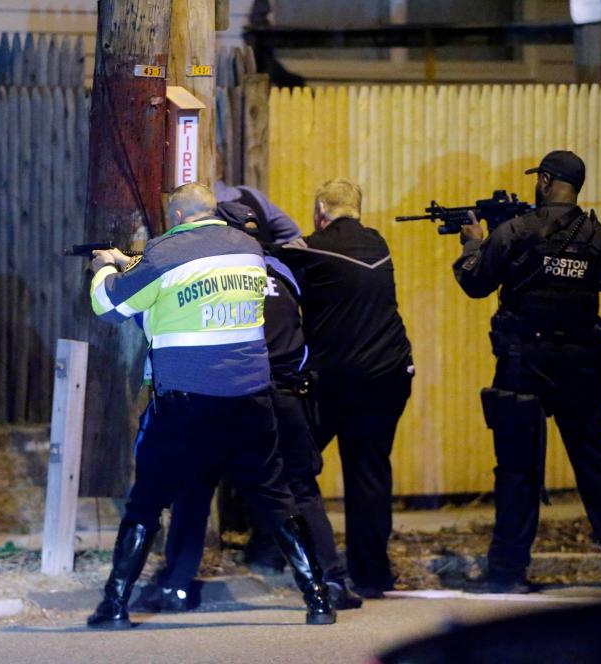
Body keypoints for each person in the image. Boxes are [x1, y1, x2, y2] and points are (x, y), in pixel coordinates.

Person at [86, 182, 335, 629]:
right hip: (249, 400)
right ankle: (318, 599)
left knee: (146, 502)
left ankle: (114, 605)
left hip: (184, 403)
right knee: (277, 499)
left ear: (178, 217)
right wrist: (136, 264)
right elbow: (197, 281)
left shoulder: (165, 252)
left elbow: (109, 306)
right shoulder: (248, 249)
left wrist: (107, 268)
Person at [155, 183, 362, 612]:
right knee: (298, 492)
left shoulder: (216, 274)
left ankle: (175, 585)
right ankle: (330, 584)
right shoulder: (284, 271)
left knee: (195, 488)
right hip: (288, 395)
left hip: (236, 395)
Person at [453, 150, 601, 592]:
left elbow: (475, 283)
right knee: (597, 468)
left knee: (517, 470)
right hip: (582, 365)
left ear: (547, 181)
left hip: (524, 364)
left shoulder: (515, 231)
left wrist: (474, 242)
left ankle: (507, 575)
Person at [278, 179, 414, 599]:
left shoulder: (311, 249)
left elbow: (272, 264)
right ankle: (373, 575)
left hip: (336, 380)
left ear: (321, 209)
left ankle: (308, 564)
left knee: (292, 465)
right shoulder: (378, 243)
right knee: (369, 471)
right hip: (389, 374)